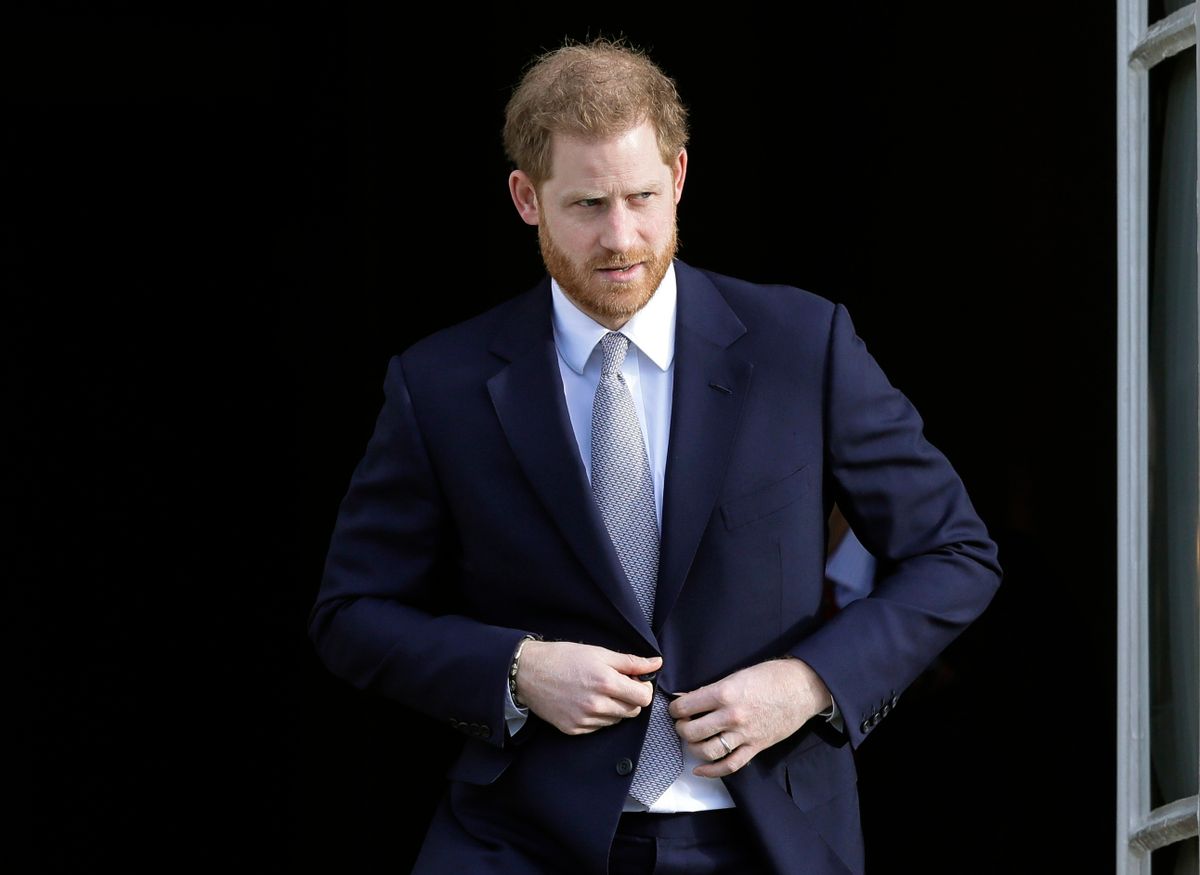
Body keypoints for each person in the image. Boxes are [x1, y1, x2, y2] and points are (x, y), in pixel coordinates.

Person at [308, 37, 1002, 875]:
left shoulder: (801, 344)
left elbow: (955, 552)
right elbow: (350, 614)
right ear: (527, 198)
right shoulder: (439, 384)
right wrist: (517, 670)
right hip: (518, 840)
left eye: (642, 196)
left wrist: (808, 681)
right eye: (588, 204)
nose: (622, 236)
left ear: (678, 176)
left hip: (767, 836)